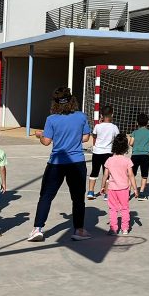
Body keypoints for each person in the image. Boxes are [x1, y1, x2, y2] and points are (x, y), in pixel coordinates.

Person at [29, 87, 92, 242]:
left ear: (55, 103)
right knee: (78, 198)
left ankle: (37, 229)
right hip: (76, 162)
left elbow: (46, 142)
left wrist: (39, 135)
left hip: (56, 162)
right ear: (72, 100)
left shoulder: (51, 119)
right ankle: (79, 230)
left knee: (46, 196)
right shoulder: (81, 116)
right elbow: (85, 138)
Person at [103, 133, 134, 236]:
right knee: (125, 208)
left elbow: (105, 175)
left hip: (112, 188)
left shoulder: (109, 160)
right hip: (124, 188)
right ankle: (125, 228)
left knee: (113, 209)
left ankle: (113, 228)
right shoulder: (127, 160)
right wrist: (135, 188)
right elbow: (131, 175)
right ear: (126, 147)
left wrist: (102, 186)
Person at [87, 105, 120, 200]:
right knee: (108, 173)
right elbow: (117, 139)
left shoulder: (97, 126)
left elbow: (94, 136)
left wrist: (95, 146)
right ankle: (107, 193)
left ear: (101, 115)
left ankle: (90, 191)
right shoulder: (114, 127)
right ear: (112, 115)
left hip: (97, 152)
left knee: (94, 171)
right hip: (108, 152)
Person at [131, 113, 149, 200]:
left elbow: (131, 143)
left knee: (131, 174)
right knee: (144, 175)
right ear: (147, 122)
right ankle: (141, 193)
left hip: (135, 155)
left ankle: (128, 192)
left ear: (137, 123)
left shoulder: (135, 132)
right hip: (145, 155)